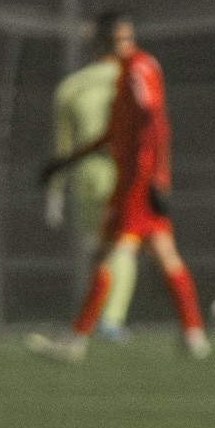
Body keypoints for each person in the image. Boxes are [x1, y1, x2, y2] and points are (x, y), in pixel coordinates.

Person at [27, 11, 211, 361]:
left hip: (135, 184)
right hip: (132, 180)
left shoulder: (139, 69)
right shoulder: (125, 73)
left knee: (105, 255)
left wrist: (156, 176)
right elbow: (114, 132)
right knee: (165, 255)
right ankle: (193, 336)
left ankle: (76, 342)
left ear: (105, 39)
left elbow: (153, 121)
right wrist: (66, 161)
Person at [44, 37, 137, 339]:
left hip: (86, 171)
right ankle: (110, 322)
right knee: (123, 246)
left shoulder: (72, 86)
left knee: (98, 247)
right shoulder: (134, 77)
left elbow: (63, 144)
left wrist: (55, 190)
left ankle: (98, 320)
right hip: (123, 169)